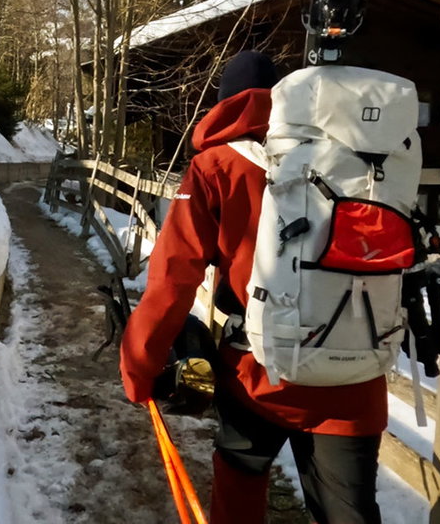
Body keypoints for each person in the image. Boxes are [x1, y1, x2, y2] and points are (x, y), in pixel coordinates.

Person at [119, 50, 385, 524]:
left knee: (238, 503)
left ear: (223, 106)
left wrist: (140, 369)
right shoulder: (355, 161)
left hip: (255, 376)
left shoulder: (215, 167)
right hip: (351, 376)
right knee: (350, 516)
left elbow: (172, 278)